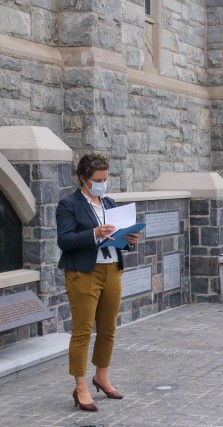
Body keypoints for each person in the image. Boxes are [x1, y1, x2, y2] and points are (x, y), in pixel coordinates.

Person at [56, 154, 140, 411]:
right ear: (83, 178)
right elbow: (65, 241)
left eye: (105, 178)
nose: (103, 183)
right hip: (83, 273)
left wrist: (129, 240)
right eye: (97, 179)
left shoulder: (109, 202)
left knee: (108, 329)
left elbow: (116, 237)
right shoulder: (68, 204)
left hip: (112, 270)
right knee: (82, 331)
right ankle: (80, 386)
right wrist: (94, 233)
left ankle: (101, 376)